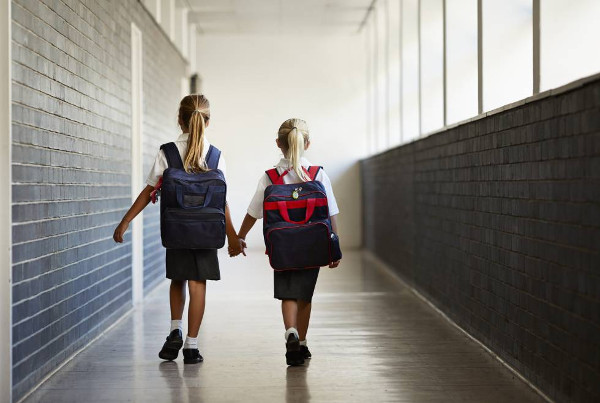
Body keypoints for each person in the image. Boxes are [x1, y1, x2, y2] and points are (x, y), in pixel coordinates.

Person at [113, 94, 242, 364]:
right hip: (207, 231)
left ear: (179, 120)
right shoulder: (217, 155)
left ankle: (175, 329)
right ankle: (192, 347)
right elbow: (223, 202)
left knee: (178, 279)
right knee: (198, 284)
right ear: (207, 122)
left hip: (177, 229)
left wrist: (125, 221)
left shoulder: (167, 152)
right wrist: (233, 236)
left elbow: (149, 190)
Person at [234, 118, 340, 366]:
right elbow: (331, 212)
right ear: (308, 144)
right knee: (305, 295)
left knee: (288, 294)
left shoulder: (270, 177)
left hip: (282, 246)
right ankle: (302, 343)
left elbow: (253, 211)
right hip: (312, 244)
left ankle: (290, 332)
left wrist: (240, 236)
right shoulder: (318, 174)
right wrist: (334, 245)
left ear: (278, 144)